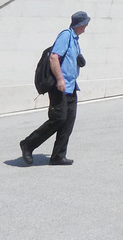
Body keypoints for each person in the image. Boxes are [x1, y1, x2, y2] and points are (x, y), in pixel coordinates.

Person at [19, 11, 90, 166]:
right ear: (80, 24)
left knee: (68, 121)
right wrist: (59, 79)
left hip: (71, 86)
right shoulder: (65, 35)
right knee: (58, 118)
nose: (86, 27)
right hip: (61, 86)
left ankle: (58, 156)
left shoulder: (75, 40)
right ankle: (28, 144)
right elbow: (54, 57)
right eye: (85, 23)